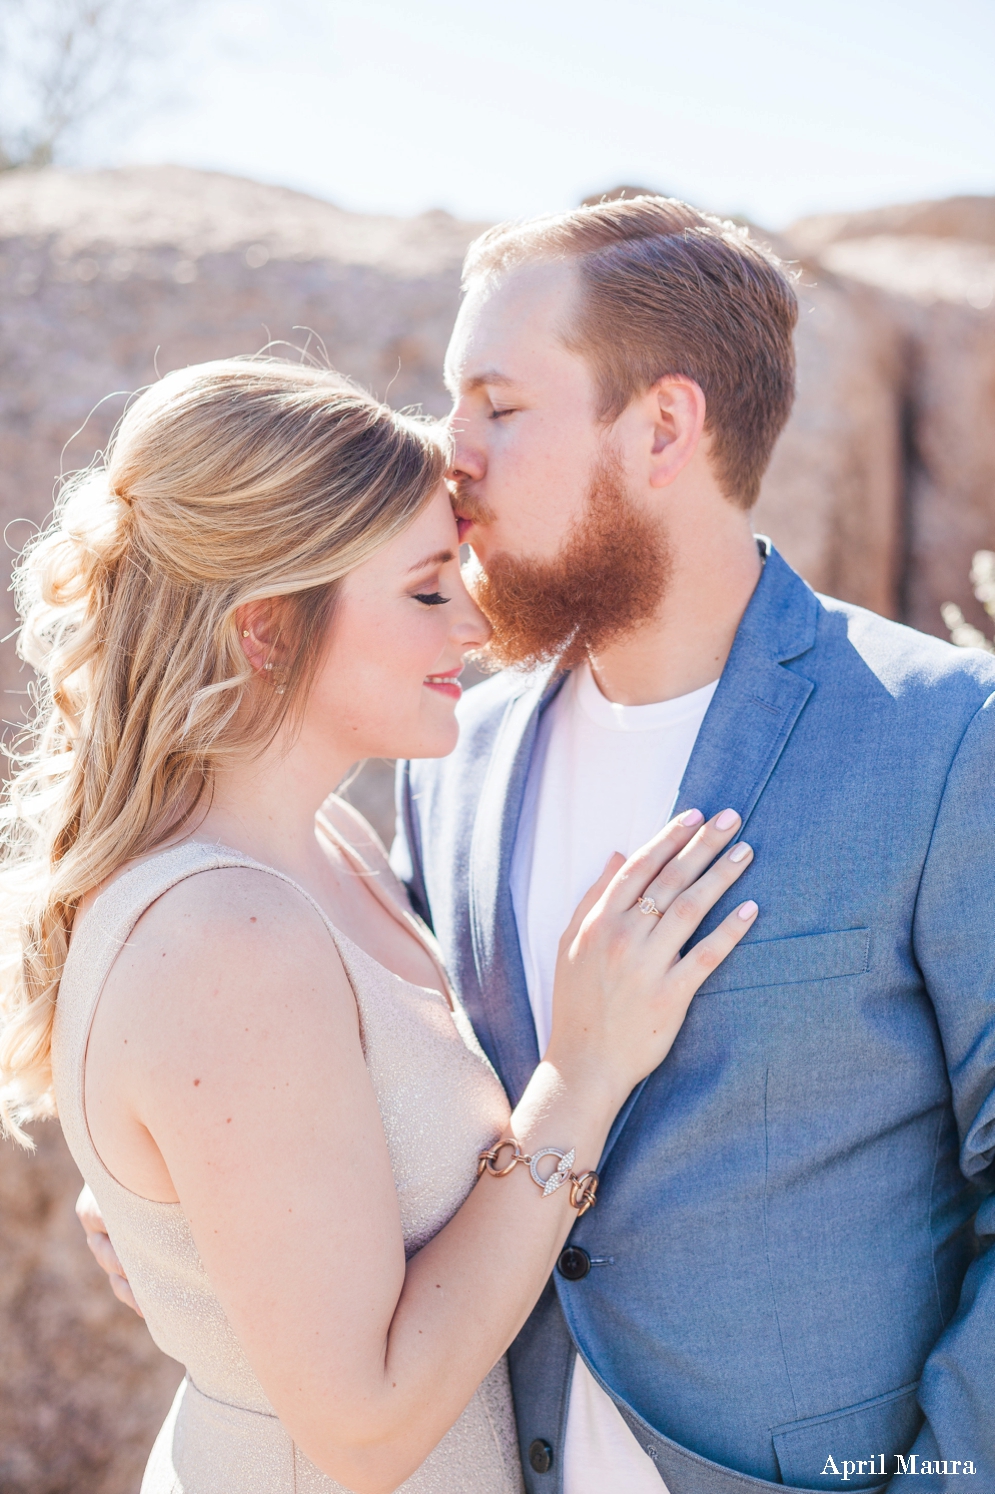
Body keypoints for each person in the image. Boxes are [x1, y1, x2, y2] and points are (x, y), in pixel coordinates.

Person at [0, 357, 759, 1494]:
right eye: (422, 592)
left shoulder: (328, 848)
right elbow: (363, 1431)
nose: (475, 624)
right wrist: (585, 1072)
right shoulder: (227, 935)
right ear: (265, 631)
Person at [386, 197, 995, 1493]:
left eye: (496, 403)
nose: (451, 458)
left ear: (661, 427)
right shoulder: (450, 757)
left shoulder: (945, 738)